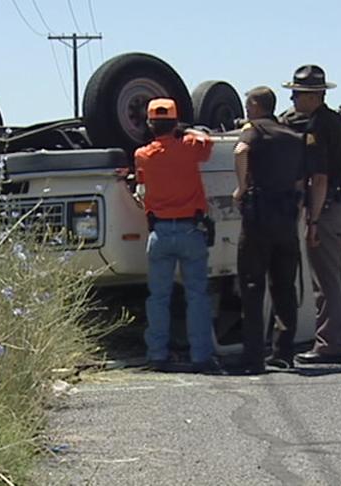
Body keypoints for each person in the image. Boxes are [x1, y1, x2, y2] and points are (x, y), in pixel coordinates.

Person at [134, 98, 216, 372]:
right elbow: (208, 141)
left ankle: (157, 354)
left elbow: (141, 184)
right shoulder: (190, 148)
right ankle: (201, 356)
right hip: (190, 230)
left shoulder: (142, 155)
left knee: (157, 298)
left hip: (159, 232)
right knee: (197, 296)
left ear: (149, 124)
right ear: (175, 123)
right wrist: (188, 131)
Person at [280, 65, 341, 364]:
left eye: (298, 94)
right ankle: (334, 339)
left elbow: (320, 177)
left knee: (325, 281)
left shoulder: (316, 128)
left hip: (327, 205)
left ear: (313, 96)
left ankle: (329, 345)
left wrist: (312, 219)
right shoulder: (337, 121)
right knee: (336, 276)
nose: (294, 99)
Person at [233, 86, 306, 373]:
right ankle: (283, 352)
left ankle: (253, 358)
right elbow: (301, 182)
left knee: (252, 285)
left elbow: (240, 150)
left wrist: (240, 188)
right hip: (286, 216)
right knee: (285, 287)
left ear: (254, 104)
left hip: (259, 215)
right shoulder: (292, 136)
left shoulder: (255, 130)